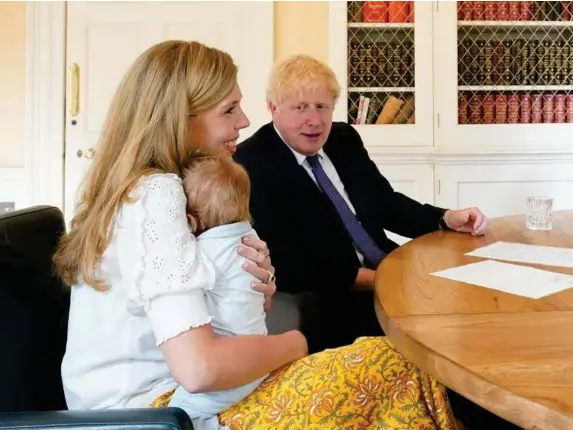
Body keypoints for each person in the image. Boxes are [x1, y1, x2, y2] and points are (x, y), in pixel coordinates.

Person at [54, 40, 458, 430]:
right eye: (229, 109)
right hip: (158, 411)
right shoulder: (158, 193)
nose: (244, 122)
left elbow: (176, 318)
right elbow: (199, 368)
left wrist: (250, 292)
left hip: (156, 398)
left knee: (391, 361)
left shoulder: (134, 186)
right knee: (397, 365)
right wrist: (295, 344)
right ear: (181, 117)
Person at [233, 54, 489, 353]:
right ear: (272, 108)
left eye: (322, 107)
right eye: (300, 108)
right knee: (438, 338)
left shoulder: (343, 138)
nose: (314, 121)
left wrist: (445, 217)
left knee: (474, 310)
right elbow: (289, 263)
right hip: (333, 299)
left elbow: (385, 203)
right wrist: (384, 280)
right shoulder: (250, 165)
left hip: (389, 269)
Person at [170, 149, 268, 422]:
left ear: (190, 220)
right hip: (255, 358)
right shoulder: (250, 237)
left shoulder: (204, 253)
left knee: (178, 414)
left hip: (227, 369)